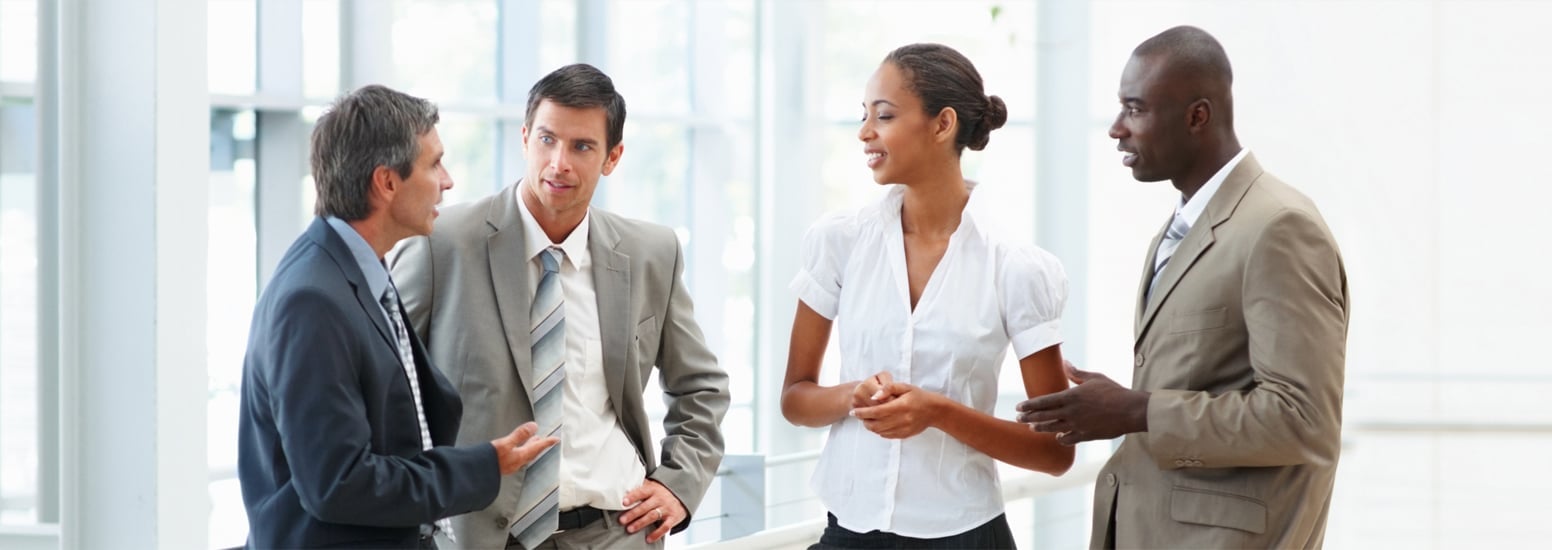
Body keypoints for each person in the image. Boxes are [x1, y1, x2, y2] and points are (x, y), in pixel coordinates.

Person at [1016, 26, 1350, 549]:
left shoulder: (1279, 227)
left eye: (1135, 108)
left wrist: (1137, 410)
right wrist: (1123, 401)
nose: (1116, 129)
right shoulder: (1186, 226)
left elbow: (1302, 419)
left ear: (1198, 116)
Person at [390, 63, 730, 550]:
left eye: (582, 146)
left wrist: (679, 483)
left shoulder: (651, 253)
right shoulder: (442, 245)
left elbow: (701, 386)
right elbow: (386, 389)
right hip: (477, 536)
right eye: (547, 140)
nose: (559, 163)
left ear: (613, 157)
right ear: (525, 137)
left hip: (616, 532)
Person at [781, 43, 1077, 550]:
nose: (865, 132)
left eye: (885, 115)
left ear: (942, 125)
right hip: (848, 532)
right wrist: (851, 397)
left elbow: (1053, 453)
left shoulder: (1018, 268)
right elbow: (795, 399)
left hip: (964, 536)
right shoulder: (838, 242)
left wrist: (938, 413)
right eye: (864, 115)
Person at [237, 85, 557, 549]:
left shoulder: (363, 273)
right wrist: (482, 466)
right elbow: (338, 483)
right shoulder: (312, 301)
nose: (447, 181)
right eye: (434, 164)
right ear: (386, 183)